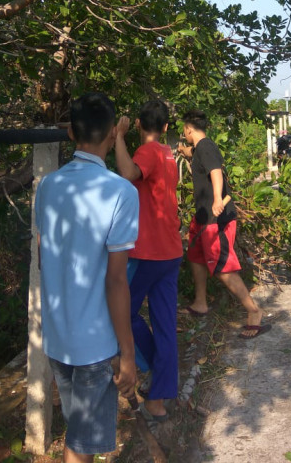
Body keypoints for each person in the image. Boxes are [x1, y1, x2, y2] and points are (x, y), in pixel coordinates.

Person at [35, 92, 139, 463]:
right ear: (113, 133)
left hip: (58, 337)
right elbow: (116, 281)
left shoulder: (48, 186)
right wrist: (128, 354)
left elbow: (45, 254)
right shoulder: (120, 192)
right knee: (81, 446)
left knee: (76, 432)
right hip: (94, 345)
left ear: (69, 133)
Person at [114, 99, 183, 423]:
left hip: (148, 253)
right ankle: (159, 399)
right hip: (170, 252)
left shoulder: (151, 151)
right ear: (167, 126)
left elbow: (127, 173)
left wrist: (117, 136)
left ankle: (149, 365)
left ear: (139, 124)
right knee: (166, 325)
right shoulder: (169, 155)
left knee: (121, 311)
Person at [178, 109, 271, 340]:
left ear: (188, 128)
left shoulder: (207, 147)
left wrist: (218, 199)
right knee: (196, 257)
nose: (183, 135)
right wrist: (186, 153)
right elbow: (199, 158)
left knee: (222, 268)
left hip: (215, 218)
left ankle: (254, 311)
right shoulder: (200, 148)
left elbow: (215, 171)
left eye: (183, 131)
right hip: (202, 217)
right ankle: (200, 302)